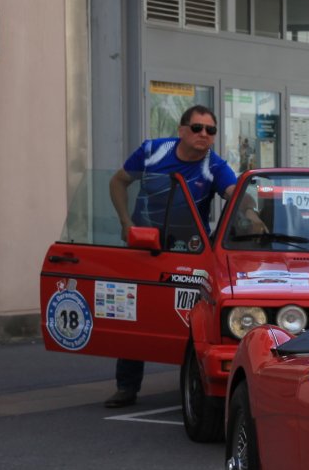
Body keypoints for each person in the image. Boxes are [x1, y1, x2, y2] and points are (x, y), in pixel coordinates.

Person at [102, 106, 242, 408]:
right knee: (134, 311)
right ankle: (126, 387)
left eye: (211, 130)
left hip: (188, 250)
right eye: (197, 128)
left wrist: (250, 206)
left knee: (188, 317)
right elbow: (117, 181)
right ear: (181, 130)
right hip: (144, 245)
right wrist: (126, 222)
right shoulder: (152, 151)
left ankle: (193, 386)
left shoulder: (214, 166)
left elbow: (234, 193)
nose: (204, 134)